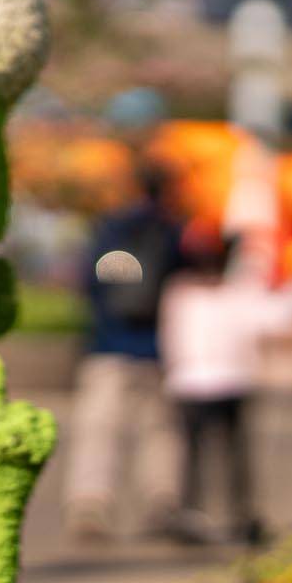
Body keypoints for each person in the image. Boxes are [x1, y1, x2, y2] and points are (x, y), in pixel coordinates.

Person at [63, 91, 183, 541]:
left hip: (107, 343)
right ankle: (161, 502)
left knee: (99, 431)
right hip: (157, 347)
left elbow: (92, 278)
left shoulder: (111, 228)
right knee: (160, 431)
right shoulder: (172, 231)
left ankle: (90, 504)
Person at [158, 228, 292, 547]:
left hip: (187, 382)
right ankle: (240, 516)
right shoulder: (237, 294)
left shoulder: (180, 293)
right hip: (230, 382)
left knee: (193, 453)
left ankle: (191, 511)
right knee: (234, 454)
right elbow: (278, 317)